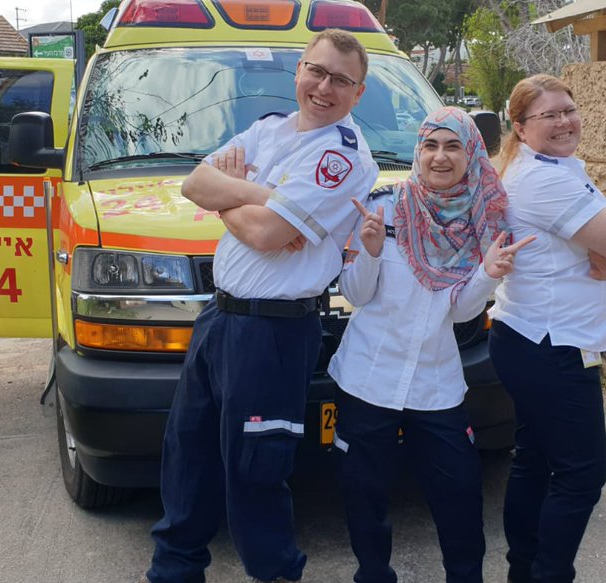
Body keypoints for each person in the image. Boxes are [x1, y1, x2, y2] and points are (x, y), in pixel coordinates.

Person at [144, 29, 379, 583]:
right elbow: (193, 184)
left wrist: (235, 194)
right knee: (188, 453)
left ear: (359, 92)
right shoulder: (269, 128)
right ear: (298, 71)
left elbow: (268, 235)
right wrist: (261, 198)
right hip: (219, 317)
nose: (324, 88)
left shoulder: (343, 157)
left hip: (273, 333)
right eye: (316, 72)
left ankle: (275, 573)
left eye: (341, 80)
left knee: (256, 467)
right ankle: (174, 571)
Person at [328, 107, 535, 583]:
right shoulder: (381, 207)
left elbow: (460, 312)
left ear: (471, 153)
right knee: (365, 493)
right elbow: (356, 294)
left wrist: (488, 272)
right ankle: (374, 574)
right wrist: (372, 252)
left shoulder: (481, 219)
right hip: (367, 378)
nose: (440, 157)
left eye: (452, 146)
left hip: (435, 385)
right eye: (430, 146)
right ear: (417, 151)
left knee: (459, 494)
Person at [488, 74, 606, 583]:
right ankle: (548, 574)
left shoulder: (553, 166)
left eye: (568, 110)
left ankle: (525, 570)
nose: (563, 121)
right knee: (581, 475)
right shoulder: (544, 180)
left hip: (531, 336)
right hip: (553, 345)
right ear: (520, 127)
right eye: (548, 115)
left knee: (536, 459)